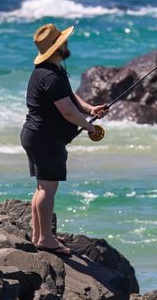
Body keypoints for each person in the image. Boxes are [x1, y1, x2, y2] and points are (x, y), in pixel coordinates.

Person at [20, 23, 108, 255]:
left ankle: (40, 234)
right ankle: (45, 239)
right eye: (63, 41)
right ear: (57, 47)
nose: (67, 44)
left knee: (43, 186)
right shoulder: (50, 76)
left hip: (36, 135)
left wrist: (90, 109)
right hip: (44, 138)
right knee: (48, 187)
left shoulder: (52, 71)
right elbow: (67, 111)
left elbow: (70, 96)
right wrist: (89, 127)